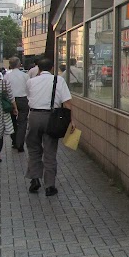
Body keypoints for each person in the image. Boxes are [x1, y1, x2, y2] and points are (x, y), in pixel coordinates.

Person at [25, 57, 73, 196]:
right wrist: (72, 121)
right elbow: (67, 103)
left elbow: (29, 97)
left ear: (38, 69)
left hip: (34, 116)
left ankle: (34, 178)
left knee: (34, 148)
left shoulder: (31, 81)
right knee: (50, 150)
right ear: (52, 68)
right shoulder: (59, 80)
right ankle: (50, 186)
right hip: (51, 118)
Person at [4, 57, 29, 152]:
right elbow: (28, 88)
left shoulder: (7, 76)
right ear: (19, 64)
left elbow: (4, 90)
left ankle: (14, 140)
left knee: (12, 121)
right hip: (23, 99)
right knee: (22, 122)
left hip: (10, 100)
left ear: (10, 65)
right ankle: (20, 143)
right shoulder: (25, 76)